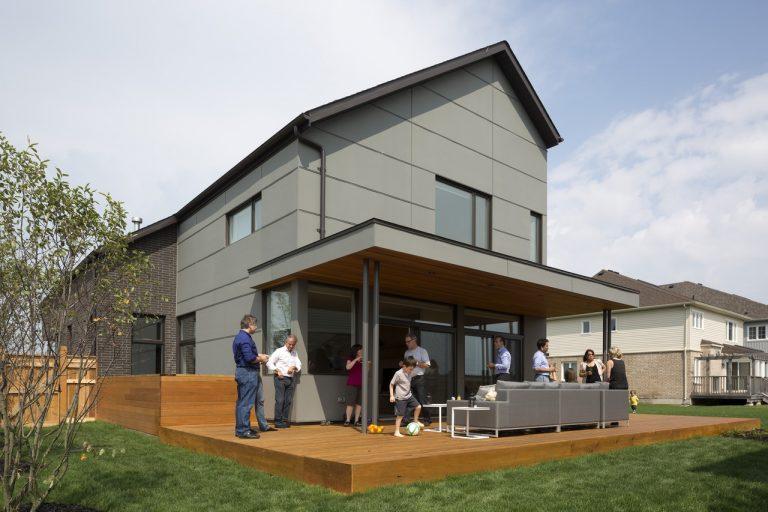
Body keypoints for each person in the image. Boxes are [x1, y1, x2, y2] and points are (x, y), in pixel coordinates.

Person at [232, 314, 271, 439]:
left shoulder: (241, 337)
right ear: (250, 324)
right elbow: (249, 358)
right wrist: (261, 358)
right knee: (246, 403)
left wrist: (259, 355)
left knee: (244, 402)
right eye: (255, 325)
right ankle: (243, 430)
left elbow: (246, 354)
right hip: (248, 373)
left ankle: (243, 428)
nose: (256, 327)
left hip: (247, 372)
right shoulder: (245, 338)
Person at [267, 334, 302, 428]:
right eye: (289, 344)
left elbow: (299, 364)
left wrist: (294, 367)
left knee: (288, 400)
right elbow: (269, 362)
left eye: (293, 344)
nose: (291, 346)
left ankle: (284, 420)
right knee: (280, 400)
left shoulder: (295, 353)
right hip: (280, 378)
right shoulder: (279, 351)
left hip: (290, 378)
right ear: (285, 342)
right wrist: (276, 370)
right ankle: (278, 421)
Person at [389, 356, 423, 438]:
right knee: (400, 415)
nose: (411, 371)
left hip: (409, 395)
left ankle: (415, 420)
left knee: (418, 406)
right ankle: (396, 432)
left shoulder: (410, 372)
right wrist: (392, 396)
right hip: (400, 397)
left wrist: (416, 363)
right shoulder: (398, 373)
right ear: (404, 366)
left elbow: (419, 370)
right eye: (410, 369)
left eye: (412, 369)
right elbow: (391, 384)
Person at [402, 333, 431, 424]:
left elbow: (427, 365)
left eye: (408, 341)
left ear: (414, 340)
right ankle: (406, 420)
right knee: (409, 399)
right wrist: (403, 365)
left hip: (419, 379)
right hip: (409, 379)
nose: (406, 343)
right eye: (406, 342)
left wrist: (416, 363)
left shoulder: (422, 351)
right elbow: (406, 366)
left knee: (422, 400)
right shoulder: (407, 352)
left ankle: (427, 419)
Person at [344, 344, 363, 426]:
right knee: (350, 402)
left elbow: (367, 371)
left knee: (359, 403)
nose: (362, 351)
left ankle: (356, 420)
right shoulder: (350, 359)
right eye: (360, 349)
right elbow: (348, 367)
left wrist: (368, 364)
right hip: (352, 383)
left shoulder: (363, 359)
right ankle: (348, 420)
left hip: (361, 383)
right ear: (356, 350)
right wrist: (356, 359)